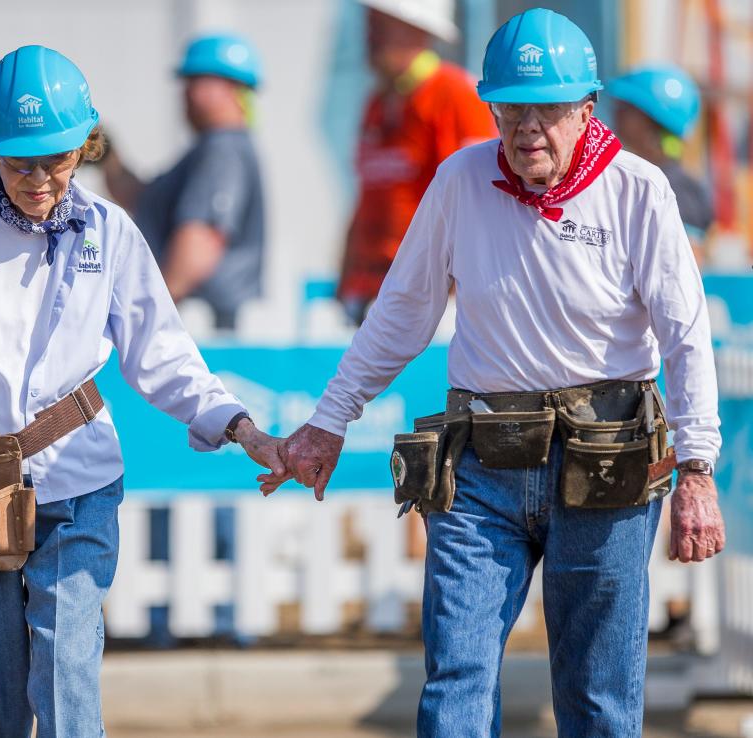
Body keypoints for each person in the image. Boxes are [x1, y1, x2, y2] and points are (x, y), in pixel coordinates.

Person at [262, 9, 725, 736]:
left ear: (586, 110)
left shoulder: (638, 190)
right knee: (454, 687)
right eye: (510, 107)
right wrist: (328, 421)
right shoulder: (460, 179)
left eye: (547, 109)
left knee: (599, 702)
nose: (526, 127)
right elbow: (400, 314)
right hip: (483, 466)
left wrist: (696, 470)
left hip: (604, 461)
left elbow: (686, 338)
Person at [0, 45, 284, 737]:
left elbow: (163, 354)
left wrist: (241, 428)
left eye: (56, 159)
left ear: (83, 146)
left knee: (66, 684)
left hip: (78, 484)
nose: (38, 178)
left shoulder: (111, 234)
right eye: (18, 160)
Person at [337, 0, 496, 324]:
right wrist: (345, 282)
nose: (370, 34)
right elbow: (367, 199)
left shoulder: (455, 96)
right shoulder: (377, 103)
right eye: (371, 21)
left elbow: (480, 202)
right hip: (372, 297)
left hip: (431, 304)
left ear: (418, 29)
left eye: (381, 22)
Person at [105, 33, 264, 330]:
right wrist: (107, 158)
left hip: (204, 328)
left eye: (195, 82)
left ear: (227, 87)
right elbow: (140, 198)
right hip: (197, 324)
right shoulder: (207, 150)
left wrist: (148, 315)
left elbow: (200, 241)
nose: (187, 94)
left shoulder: (222, 150)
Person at [609, 64, 714, 263]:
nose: (617, 114)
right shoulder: (640, 179)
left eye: (627, 107)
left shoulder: (678, 191)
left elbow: (680, 267)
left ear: (652, 120)